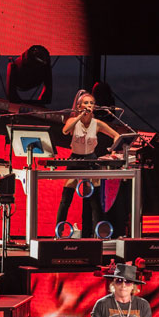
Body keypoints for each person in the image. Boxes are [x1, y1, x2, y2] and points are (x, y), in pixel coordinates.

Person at [57, 90, 120, 237]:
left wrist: (113, 151)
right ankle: (59, 233)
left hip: (91, 160)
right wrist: (80, 116)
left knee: (94, 201)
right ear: (79, 106)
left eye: (91, 103)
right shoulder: (73, 121)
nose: (89, 105)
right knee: (66, 198)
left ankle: (99, 235)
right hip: (75, 160)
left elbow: (116, 135)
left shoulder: (97, 123)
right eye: (86, 103)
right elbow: (65, 131)